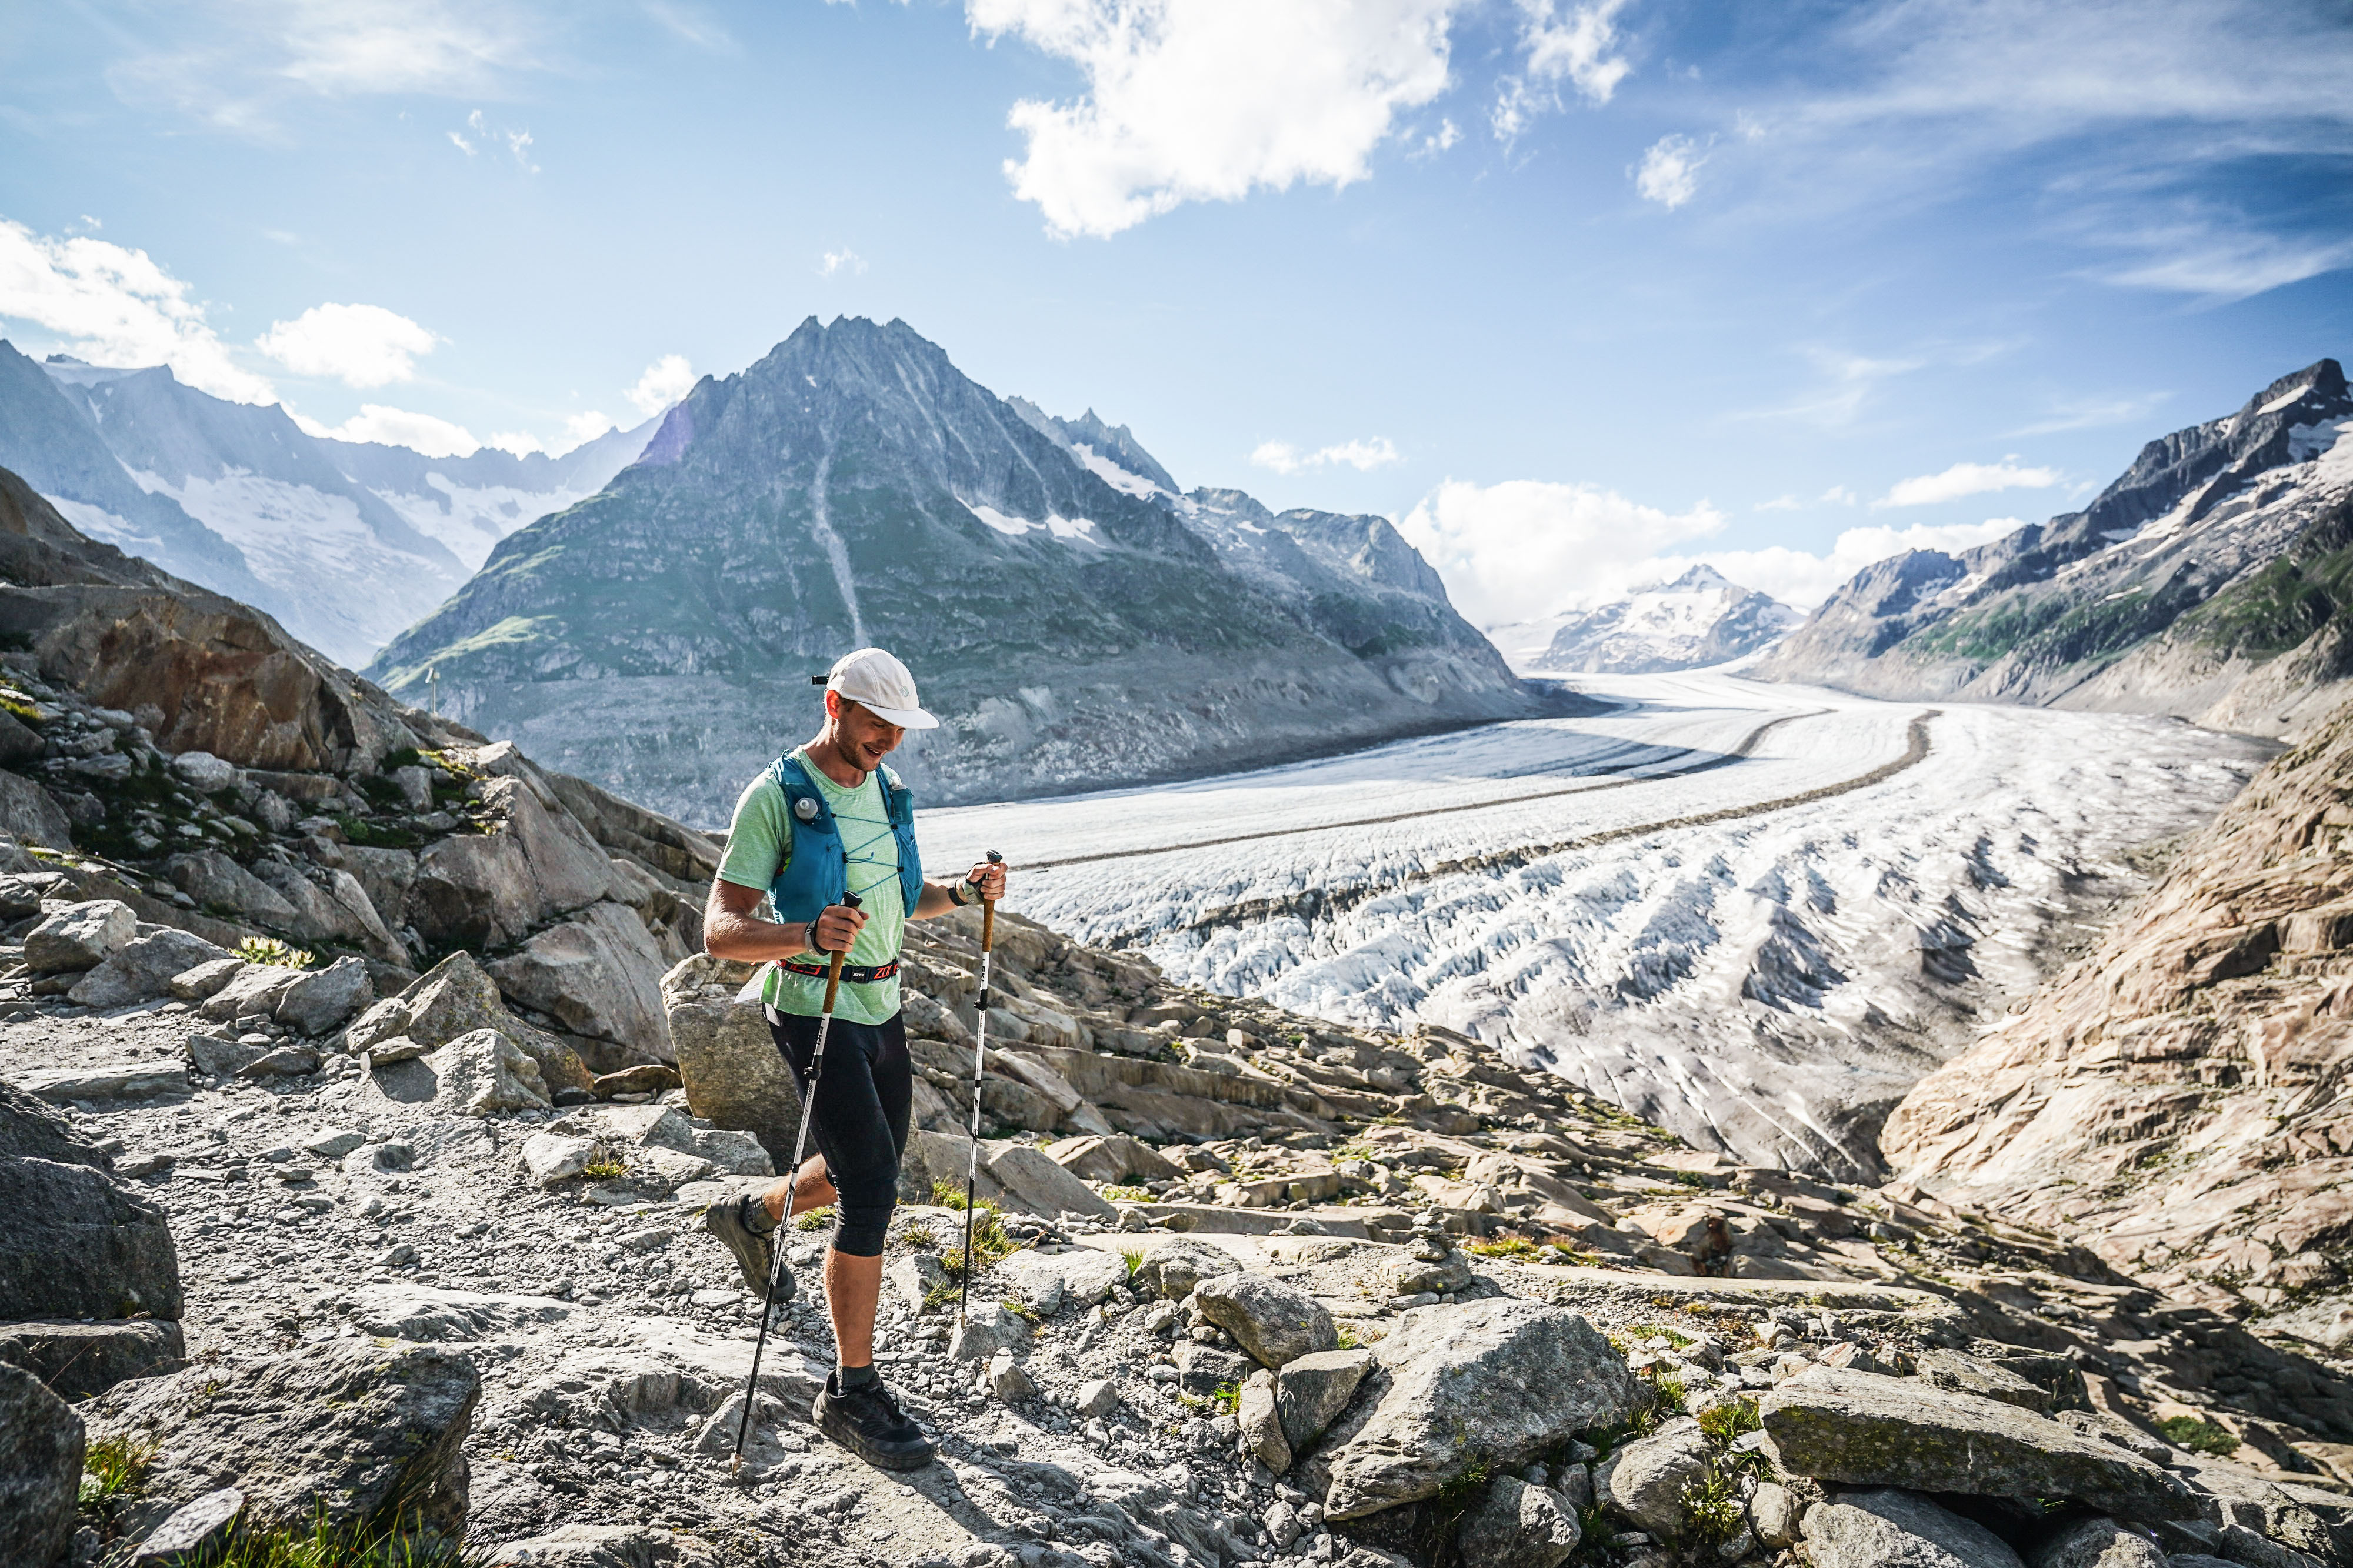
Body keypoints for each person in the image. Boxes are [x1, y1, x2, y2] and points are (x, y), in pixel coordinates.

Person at [698, 646, 1004, 1472]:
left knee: (851, 1163)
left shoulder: (889, 793)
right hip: (812, 1005)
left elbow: (906, 902)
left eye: (899, 729)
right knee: (874, 1186)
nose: (890, 741)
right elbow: (719, 930)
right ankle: (851, 1391)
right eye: (877, 724)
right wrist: (803, 934)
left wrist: (967, 891)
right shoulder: (775, 797)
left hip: (881, 1004)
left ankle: (752, 1217)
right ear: (835, 704)